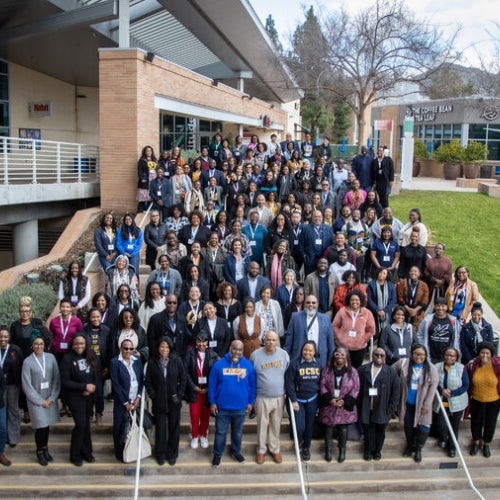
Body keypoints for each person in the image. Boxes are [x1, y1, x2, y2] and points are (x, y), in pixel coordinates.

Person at [209, 340, 256, 467]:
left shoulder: (248, 366)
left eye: (240, 350)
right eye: (235, 349)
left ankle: (236, 451)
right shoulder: (218, 365)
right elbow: (212, 386)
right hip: (222, 407)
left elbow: (253, 386)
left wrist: (251, 402)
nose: (237, 352)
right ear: (230, 348)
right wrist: (212, 403)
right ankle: (217, 454)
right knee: (220, 433)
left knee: (237, 432)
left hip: (241, 407)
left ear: (243, 351)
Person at [393, 344, 439, 462]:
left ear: (425, 355)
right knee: (408, 426)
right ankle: (410, 446)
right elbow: (390, 372)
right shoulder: (403, 363)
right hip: (406, 402)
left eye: (422, 354)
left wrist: (427, 405)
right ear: (412, 354)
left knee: (423, 426)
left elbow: (433, 388)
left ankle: (418, 448)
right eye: (416, 354)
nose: (419, 356)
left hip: (423, 404)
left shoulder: (431, 368)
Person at [145, 336, 186, 466]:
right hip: (159, 402)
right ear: (158, 348)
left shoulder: (177, 360)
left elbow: (183, 379)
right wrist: (153, 395)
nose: (164, 349)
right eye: (162, 346)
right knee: (161, 429)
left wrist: (179, 395)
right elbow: (148, 382)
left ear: (170, 348)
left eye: (166, 347)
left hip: (173, 401)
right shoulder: (152, 362)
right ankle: (160, 454)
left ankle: (172, 454)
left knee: (174, 429)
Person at [250, 331, 290, 465]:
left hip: (279, 396)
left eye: (273, 340)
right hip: (262, 397)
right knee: (262, 425)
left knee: (275, 424)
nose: (271, 343)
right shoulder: (255, 355)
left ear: (277, 341)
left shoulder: (284, 355)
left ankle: (274, 449)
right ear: (264, 340)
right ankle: (261, 450)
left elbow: (287, 373)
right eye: (268, 340)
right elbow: (252, 377)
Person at [21, 332, 61, 466]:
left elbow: (56, 379)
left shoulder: (51, 358)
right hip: (36, 401)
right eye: (36, 344)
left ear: (45, 345)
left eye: (41, 344)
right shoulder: (27, 361)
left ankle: (45, 448)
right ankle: (39, 451)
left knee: (47, 425)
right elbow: (27, 385)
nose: (39, 346)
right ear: (32, 346)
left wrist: (52, 397)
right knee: (40, 426)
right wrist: (40, 401)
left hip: (49, 398)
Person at [60, 334, 99, 466]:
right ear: (72, 344)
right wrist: (83, 387)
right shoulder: (67, 358)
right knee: (81, 424)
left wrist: (91, 387)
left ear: (86, 344)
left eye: (82, 343)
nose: (79, 346)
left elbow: (96, 374)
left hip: (89, 396)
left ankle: (87, 451)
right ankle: (75, 454)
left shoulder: (91, 355)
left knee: (86, 425)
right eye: (76, 344)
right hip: (75, 397)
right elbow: (65, 381)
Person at [357, 347, 401, 461]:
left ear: (385, 357)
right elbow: (357, 388)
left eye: (382, 355)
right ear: (372, 355)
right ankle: (368, 449)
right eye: (377, 354)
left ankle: (377, 450)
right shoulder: (363, 369)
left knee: (380, 430)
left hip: (382, 407)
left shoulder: (390, 371)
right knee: (367, 430)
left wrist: (391, 408)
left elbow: (396, 390)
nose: (379, 357)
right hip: (367, 406)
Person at [319, 347, 360, 463]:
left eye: (343, 355)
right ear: (334, 356)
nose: (340, 357)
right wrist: (330, 399)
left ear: (347, 356)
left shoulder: (353, 372)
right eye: (337, 354)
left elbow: (356, 388)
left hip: (344, 404)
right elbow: (322, 385)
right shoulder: (327, 370)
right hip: (330, 404)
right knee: (329, 428)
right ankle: (328, 450)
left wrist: (345, 401)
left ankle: (342, 451)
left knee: (343, 428)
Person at [285, 340, 321, 462]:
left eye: (310, 350)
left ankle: (306, 447)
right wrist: (293, 400)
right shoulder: (294, 364)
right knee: (300, 426)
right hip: (298, 401)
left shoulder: (319, 364)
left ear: (314, 352)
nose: (307, 352)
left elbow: (322, 383)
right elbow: (289, 383)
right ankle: (298, 440)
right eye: (305, 349)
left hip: (312, 400)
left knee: (309, 426)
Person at [109, 338, 143, 461]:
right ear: (121, 349)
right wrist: (125, 403)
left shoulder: (137, 361)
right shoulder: (115, 362)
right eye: (126, 348)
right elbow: (116, 384)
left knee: (133, 427)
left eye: (131, 348)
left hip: (135, 400)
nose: (128, 351)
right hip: (121, 402)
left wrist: (138, 397)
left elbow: (141, 380)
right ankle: (119, 453)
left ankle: (132, 450)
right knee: (119, 427)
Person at [184, 332, 218, 450]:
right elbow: (186, 372)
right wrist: (193, 386)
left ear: (207, 342)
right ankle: (194, 435)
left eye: (204, 341)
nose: (201, 344)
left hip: (208, 390)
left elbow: (215, 374)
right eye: (199, 341)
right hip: (195, 389)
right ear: (196, 342)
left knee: (205, 414)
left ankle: (203, 434)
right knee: (194, 414)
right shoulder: (190, 354)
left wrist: (210, 387)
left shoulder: (213, 355)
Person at [433, 347, 469, 458]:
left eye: (452, 356)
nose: (449, 357)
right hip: (441, 401)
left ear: (456, 357)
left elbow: (465, 385)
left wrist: (452, 392)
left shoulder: (461, 368)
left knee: (454, 427)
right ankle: (443, 437)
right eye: (447, 355)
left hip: (456, 402)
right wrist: (441, 390)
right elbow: (433, 381)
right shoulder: (437, 366)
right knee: (441, 424)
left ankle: (452, 447)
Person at [466, 341, 500, 458]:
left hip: (494, 401)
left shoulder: (498, 365)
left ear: (491, 354)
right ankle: (475, 442)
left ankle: (486, 443)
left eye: (487, 353)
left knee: (490, 423)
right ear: (478, 353)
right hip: (476, 399)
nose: (484, 355)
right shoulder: (472, 365)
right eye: (482, 353)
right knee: (476, 422)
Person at [285, 295, 334, 369]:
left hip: (320, 358)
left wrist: (331, 358)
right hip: (299, 357)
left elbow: (330, 340)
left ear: (317, 304)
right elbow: (289, 338)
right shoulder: (295, 317)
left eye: (313, 303)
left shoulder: (326, 319)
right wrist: (286, 354)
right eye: (308, 302)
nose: (311, 305)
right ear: (304, 304)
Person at [333, 290, 376, 369]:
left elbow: (371, 330)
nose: (354, 302)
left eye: (357, 300)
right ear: (349, 300)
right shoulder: (342, 311)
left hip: (359, 348)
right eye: (352, 300)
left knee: (357, 369)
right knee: (343, 368)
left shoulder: (367, 313)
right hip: (344, 347)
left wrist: (363, 339)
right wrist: (340, 337)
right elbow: (335, 326)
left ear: (361, 301)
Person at [80, 308, 110, 424]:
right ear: (89, 318)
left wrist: (107, 366)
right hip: (88, 365)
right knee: (88, 392)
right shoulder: (84, 330)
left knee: (99, 392)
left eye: (98, 317)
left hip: (101, 366)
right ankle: (89, 413)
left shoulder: (106, 330)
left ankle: (99, 413)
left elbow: (109, 349)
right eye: (93, 317)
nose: (95, 319)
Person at [417, 297, 460, 364]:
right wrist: (422, 349)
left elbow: (457, 337)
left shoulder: (453, 321)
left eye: (443, 306)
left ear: (446, 307)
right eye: (438, 305)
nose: (440, 308)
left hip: (447, 356)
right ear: (434, 307)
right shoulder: (427, 319)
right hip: (431, 355)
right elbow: (420, 335)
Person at [0, 327, 23, 450]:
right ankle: (3, 436)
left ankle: (13, 437)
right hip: (0, 386)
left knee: (13, 409)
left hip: (12, 385)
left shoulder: (15, 350)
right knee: (2, 410)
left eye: (5, 336)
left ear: (9, 338)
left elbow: (20, 366)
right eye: (1, 336)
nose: (2, 339)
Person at [49, 298, 83, 368]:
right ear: (60, 308)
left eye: (67, 307)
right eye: (63, 307)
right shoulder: (54, 321)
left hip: (71, 352)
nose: (65, 309)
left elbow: (81, 335)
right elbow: (51, 336)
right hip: (56, 352)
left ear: (71, 308)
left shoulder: (77, 321)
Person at [301, 210, 334, 276]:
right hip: (310, 260)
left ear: (322, 217)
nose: (317, 218)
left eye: (319, 216)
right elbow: (301, 244)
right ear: (312, 217)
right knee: (309, 280)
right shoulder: (305, 228)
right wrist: (304, 256)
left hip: (324, 259)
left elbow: (331, 244)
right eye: (315, 216)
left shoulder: (329, 228)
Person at [366, 266, 397, 337]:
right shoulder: (371, 285)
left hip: (387, 313)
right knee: (375, 332)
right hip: (374, 312)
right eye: (380, 272)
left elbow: (393, 300)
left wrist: (385, 310)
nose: (381, 274)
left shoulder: (391, 286)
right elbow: (369, 300)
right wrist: (377, 310)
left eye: (384, 273)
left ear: (387, 275)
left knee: (385, 333)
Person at [396, 266, 430, 330]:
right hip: (404, 308)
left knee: (416, 328)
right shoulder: (403, 283)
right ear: (409, 273)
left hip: (417, 310)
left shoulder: (424, 285)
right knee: (402, 326)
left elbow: (425, 299)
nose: (413, 273)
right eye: (411, 271)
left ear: (419, 273)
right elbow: (399, 296)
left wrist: (415, 310)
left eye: (415, 271)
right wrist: (408, 309)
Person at [136, 145, 157, 212]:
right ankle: (141, 210)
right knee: (143, 196)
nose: (149, 152)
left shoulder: (155, 159)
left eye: (150, 151)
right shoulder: (142, 160)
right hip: (145, 180)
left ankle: (150, 210)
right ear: (144, 152)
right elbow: (139, 170)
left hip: (153, 179)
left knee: (151, 195)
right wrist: (141, 178)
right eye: (147, 151)